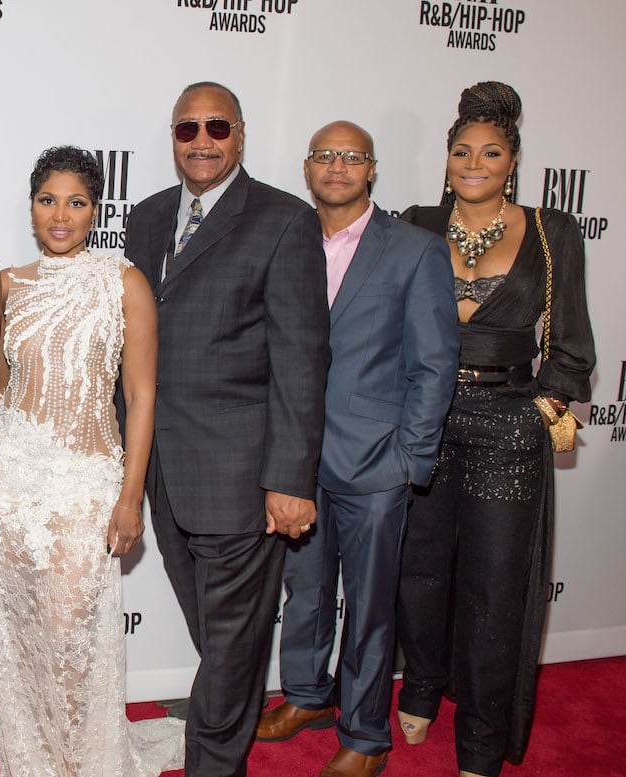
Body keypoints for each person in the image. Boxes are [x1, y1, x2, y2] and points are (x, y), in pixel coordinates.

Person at [123, 81, 330, 777]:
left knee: (234, 645)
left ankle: (213, 764)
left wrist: (290, 479)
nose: (202, 140)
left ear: (240, 135)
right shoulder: (148, 219)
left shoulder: (282, 219)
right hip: (162, 471)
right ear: (173, 137)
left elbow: (302, 357)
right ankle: (221, 740)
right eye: (188, 128)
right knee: (220, 642)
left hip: (244, 477)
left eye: (217, 126)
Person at [395, 82, 595, 777]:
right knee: (418, 569)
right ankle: (419, 685)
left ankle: (480, 734)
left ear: (512, 160)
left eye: (490, 151)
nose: (473, 163)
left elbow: (571, 348)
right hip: (422, 416)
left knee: (495, 584)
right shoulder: (414, 223)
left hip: (507, 422)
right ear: (446, 159)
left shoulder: (551, 230)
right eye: (461, 151)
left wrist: (543, 404)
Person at [254, 122, 459, 777]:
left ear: (371, 168)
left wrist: (409, 460)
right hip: (297, 458)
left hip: (376, 465)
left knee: (369, 609)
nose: (337, 166)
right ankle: (309, 696)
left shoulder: (415, 249)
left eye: (351, 156)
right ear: (307, 167)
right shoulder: (285, 239)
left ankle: (367, 734)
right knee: (307, 592)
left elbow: (435, 362)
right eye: (324, 155)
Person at [0, 146, 183, 777]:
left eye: (76, 201)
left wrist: (131, 497)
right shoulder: (6, 284)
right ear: (31, 207)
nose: (60, 216)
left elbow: (142, 395)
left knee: (69, 640)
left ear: (96, 209)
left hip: (85, 488)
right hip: (11, 487)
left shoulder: (123, 282)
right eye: (48, 200)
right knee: (18, 645)